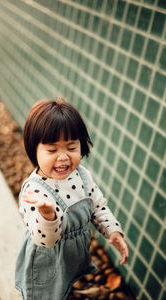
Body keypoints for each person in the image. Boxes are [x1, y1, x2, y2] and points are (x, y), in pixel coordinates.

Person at [15, 98, 129, 300]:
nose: (63, 157)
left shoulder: (82, 175)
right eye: (52, 150)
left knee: (68, 289)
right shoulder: (34, 192)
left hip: (72, 258)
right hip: (47, 263)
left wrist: (113, 230)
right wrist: (47, 216)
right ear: (34, 149)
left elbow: (97, 206)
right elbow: (46, 241)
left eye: (71, 147)